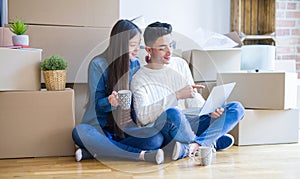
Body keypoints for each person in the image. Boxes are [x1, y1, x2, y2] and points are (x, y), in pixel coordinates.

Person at [130, 21, 245, 161]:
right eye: (162, 48)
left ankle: (193, 147)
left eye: (171, 45)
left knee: (236, 108)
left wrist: (209, 109)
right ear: (148, 49)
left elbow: (192, 98)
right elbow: (142, 117)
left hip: (189, 122)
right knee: (173, 113)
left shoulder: (180, 64)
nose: (169, 52)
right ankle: (210, 141)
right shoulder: (139, 78)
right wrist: (176, 96)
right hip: (167, 127)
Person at [72, 19, 165, 165]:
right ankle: (139, 156)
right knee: (79, 132)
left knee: (155, 139)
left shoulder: (135, 64)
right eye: (132, 45)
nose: (136, 49)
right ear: (120, 45)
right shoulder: (98, 64)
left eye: (138, 44)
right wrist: (111, 103)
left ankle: (95, 151)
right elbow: (97, 105)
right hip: (99, 127)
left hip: (125, 128)